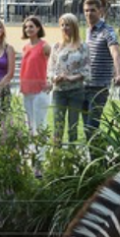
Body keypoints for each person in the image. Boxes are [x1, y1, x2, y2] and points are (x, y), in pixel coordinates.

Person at [82, 0, 120, 141]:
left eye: (92, 10)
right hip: (85, 85)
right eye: (86, 11)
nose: (89, 14)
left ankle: (99, 158)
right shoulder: (87, 31)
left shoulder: (107, 31)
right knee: (87, 129)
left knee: (91, 126)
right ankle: (97, 158)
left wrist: (119, 73)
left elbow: (115, 52)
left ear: (100, 11)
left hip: (99, 87)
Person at [47, 13, 89, 145]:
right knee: (58, 125)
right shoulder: (56, 47)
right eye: (62, 25)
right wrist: (55, 78)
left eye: (68, 25)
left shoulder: (83, 47)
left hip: (76, 91)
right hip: (59, 91)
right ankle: (56, 156)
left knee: (73, 125)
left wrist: (73, 78)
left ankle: (72, 156)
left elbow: (87, 69)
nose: (65, 28)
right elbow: (50, 68)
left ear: (74, 27)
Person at [19, 15, 51, 135]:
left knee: (40, 124)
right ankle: (31, 151)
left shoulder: (44, 46)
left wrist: (50, 81)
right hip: (27, 90)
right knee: (30, 124)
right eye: (26, 27)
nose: (28, 29)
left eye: (31, 27)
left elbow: (55, 63)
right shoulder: (25, 47)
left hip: (40, 90)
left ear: (38, 28)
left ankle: (41, 153)